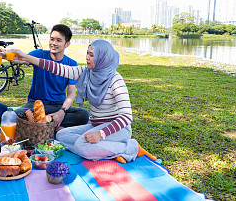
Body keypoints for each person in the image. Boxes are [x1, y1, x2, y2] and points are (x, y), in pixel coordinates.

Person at [10, 40, 157, 163]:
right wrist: (26, 57)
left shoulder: (115, 80)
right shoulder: (87, 73)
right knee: (60, 135)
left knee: (82, 147)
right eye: (87, 53)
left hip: (117, 129)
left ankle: (130, 147)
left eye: (92, 55)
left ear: (103, 58)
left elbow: (126, 117)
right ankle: (108, 150)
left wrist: (101, 134)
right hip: (94, 125)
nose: (87, 57)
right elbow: (57, 68)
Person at [12, 24, 89, 131]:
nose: (53, 43)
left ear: (67, 44)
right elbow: (20, 59)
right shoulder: (39, 54)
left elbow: (71, 94)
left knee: (83, 114)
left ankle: (39, 124)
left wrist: (62, 111)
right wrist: (3, 55)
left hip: (58, 106)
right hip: (36, 105)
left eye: (58, 40)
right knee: (11, 116)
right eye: (52, 39)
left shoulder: (72, 64)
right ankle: (52, 127)